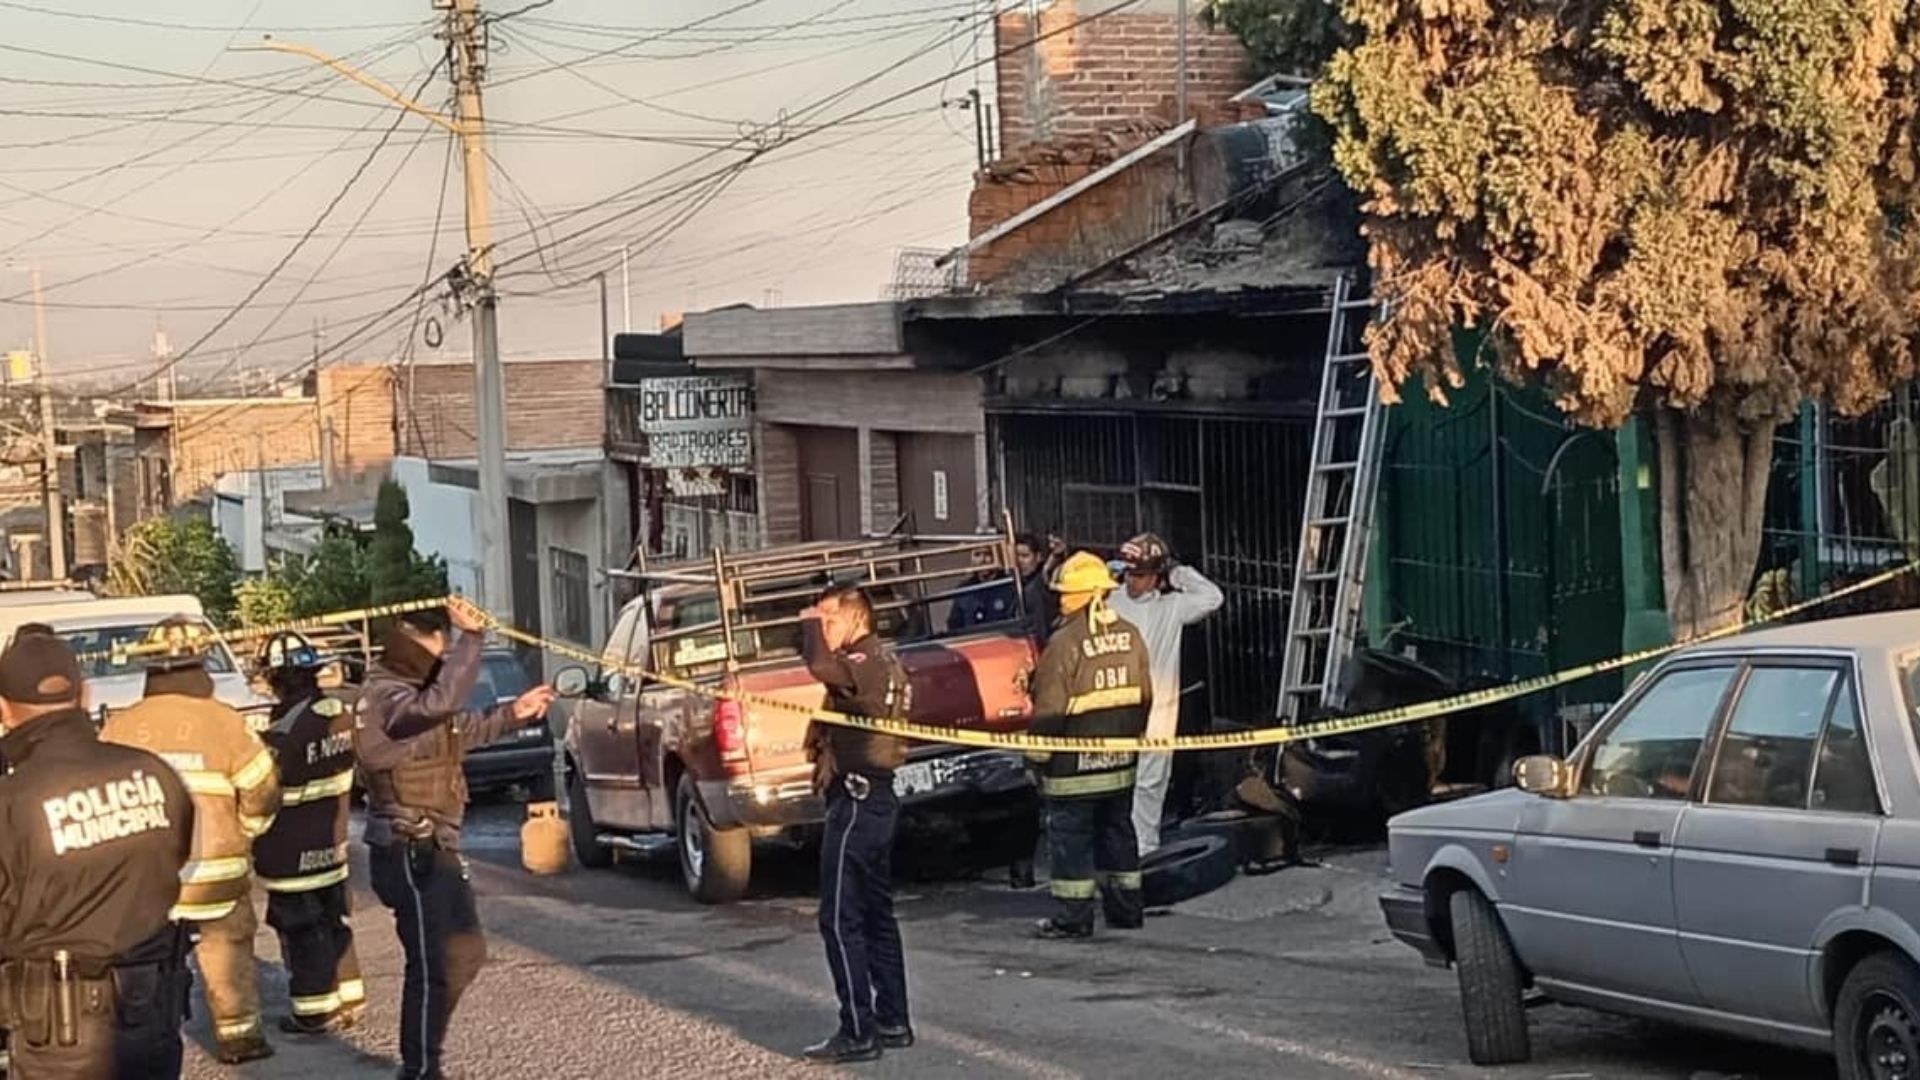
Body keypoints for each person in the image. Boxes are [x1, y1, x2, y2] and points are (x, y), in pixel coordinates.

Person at [354, 599, 555, 1080]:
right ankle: (422, 1068)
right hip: (409, 845)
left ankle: (422, 1060)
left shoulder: (410, 695)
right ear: (419, 645)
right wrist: (474, 639)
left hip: (434, 845)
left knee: (464, 953)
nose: (446, 661)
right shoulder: (384, 696)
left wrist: (514, 714)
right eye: (441, 650)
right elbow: (439, 707)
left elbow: (456, 729)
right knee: (433, 960)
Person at [0, 633, 196, 1079]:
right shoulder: (153, 772)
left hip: (58, 1036)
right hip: (153, 1015)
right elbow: (177, 854)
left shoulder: (10, 801)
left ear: (3, 710)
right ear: (83, 692)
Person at [101, 619, 282, 1065]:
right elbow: (262, 789)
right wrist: (248, 831)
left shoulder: (121, 726)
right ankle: (240, 1037)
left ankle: (151, 1034)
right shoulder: (224, 723)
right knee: (229, 947)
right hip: (217, 876)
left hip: (148, 882)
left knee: (150, 960)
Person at [798, 584, 914, 1065]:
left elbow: (821, 665)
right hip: (877, 800)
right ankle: (892, 1019)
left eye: (829, 619)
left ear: (856, 618)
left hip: (859, 802)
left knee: (841, 919)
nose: (823, 629)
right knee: (875, 915)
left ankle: (858, 1030)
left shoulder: (865, 663)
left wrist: (807, 624)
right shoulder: (882, 660)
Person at [1027, 552, 1153, 940]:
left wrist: (1036, 761)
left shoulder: (1065, 643)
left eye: (1068, 593)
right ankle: (1126, 911)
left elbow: (1049, 711)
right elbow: (1144, 697)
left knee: (1071, 843)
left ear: (1088, 594)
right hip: (1120, 765)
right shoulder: (1131, 635)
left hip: (1072, 773)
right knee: (1119, 834)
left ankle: (1073, 917)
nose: (1061, 600)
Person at [252, 632, 364, 1035]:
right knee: (334, 920)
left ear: (279, 679)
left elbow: (264, 793)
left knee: (301, 930)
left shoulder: (283, 734)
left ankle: (313, 1010)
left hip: (291, 849)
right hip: (332, 844)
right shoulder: (339, 712)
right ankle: (349, 996)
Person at [1107, 533, 1223, 858]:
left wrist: (1177, 572)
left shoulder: (1172, 607)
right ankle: (1114, 848)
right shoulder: (1111, 601)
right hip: (1116, 705)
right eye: (1130, 573)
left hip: (1159, 708)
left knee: (1152, 780)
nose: (1134, 581)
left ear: (1157, 577)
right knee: (1114, 781)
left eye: (1142, 575)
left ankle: (1145, 850)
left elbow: (1213, 597)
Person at [946, 548, 1017, 632]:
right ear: (971, 559)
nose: (982, 560)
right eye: (977, 555)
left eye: (987, 554)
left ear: (997, 556)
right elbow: (954, 627)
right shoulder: (963, 589)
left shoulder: (1010, 585)